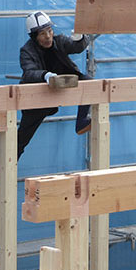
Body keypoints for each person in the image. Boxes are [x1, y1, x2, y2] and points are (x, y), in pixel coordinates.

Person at [17, 11, 92, 159]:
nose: (48, 37)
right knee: (21, 139)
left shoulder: (60, 41)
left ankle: (82, 122)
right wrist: (44, 75)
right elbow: (29, 73)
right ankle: (9, 164)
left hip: (64, 83)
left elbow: (76, 47)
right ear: (34, 37)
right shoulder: (27, 51)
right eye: (43, 34)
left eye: (50, 31)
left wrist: (80, 38)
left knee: (89, 82)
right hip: (39, 97)